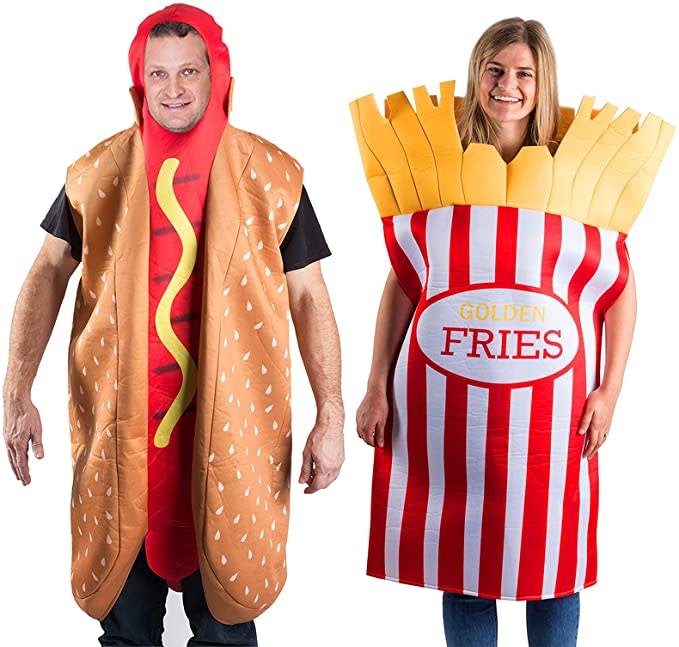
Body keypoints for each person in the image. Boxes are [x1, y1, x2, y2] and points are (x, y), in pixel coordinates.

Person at [2, 4, 344, 646]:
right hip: (122, 439)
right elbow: (48, 271)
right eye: (158, 75)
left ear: (219, 78)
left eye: (190, 71)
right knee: (127, 635)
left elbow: (308, 296)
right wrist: (15, 392)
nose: (175, 89)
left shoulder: (273, 175)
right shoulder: (96, 173)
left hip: (234, 439)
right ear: (139, 83)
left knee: (225, 636)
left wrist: (331, 416)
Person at [351, 16, 673, 647]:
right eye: (495, 71)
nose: (508, 86)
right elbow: (402, 280)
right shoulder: (435, 170)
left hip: (552, 418)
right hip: (446, 413)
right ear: (478, 74)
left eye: (524, 73)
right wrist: (375, 387)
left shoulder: (576, 173)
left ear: (542, 81)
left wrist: (610, 390)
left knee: (554, 564)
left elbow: (620, 285)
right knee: (463, 562)